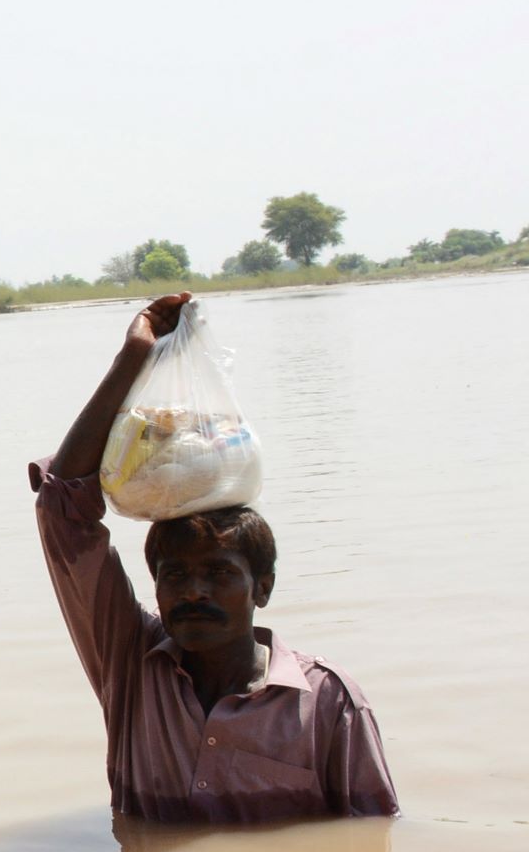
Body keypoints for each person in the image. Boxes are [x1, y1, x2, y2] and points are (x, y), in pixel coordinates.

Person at [32, 293, 396, 823]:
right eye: (175, 574)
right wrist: (131, 361)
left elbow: (369, 843)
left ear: (263, 588)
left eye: (220, 573)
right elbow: (62, 511)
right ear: (154, 585)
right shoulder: (131, 664)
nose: (194, 592)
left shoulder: (327, 704)